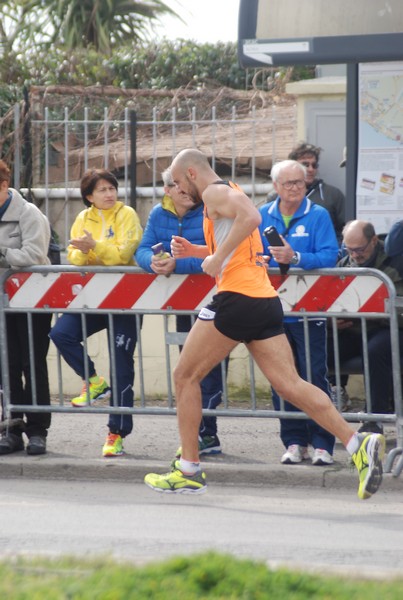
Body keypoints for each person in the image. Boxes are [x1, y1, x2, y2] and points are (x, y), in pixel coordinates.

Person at [144, 148, 385, 500]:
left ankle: (189, 471)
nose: (180, 190)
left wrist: (216, 257)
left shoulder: (213, 192)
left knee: (185, 376)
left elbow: (252, 220)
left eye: (179, 182)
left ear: (193, 174)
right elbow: (243, 241)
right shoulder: (231, 191)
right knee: (290, 384)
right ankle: (356, 443)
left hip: (236, 299)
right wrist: (198, 253)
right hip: (264, 301)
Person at [49, 168, 143, 457]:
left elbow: (124, 254)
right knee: (61, 333)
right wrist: (92, 251)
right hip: (94, 297)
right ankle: (93, 381)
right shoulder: (83, 218)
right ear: (89, 196)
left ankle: (116, 432)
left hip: (126, 298)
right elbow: (74, 254)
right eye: (101, 190)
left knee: (121, 364)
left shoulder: (127, 214)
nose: (109, 194)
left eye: (111, 188)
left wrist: (94, 248)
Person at [135, 167, 227, 455]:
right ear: (168, 190)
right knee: (188, 370)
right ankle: (199, 436)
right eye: (177, 186)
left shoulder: (211, 210)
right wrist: (153, 262)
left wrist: (179, 265)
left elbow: (217, 253)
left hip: (215, 300)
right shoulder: (157, 214)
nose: (185, 190)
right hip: (183, 304)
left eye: (186, 184)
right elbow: (142, 249)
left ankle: (207, 432)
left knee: (210, 369)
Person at [258, 159, 339, 466]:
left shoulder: (318, 215)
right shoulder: (261, 215)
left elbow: (331, 255)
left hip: (309, 310)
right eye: (289, 183)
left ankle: (322, 442)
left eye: (300, 183)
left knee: (314, 375)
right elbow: (251, 255)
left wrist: (297, 256)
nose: (295, 189)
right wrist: (265, 261)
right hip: (272, 309)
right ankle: (293, 441)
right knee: (282, 377)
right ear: (276, 186)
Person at [327, 220, 403, 434]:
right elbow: (328, 302)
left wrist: (375, 313)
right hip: (352, 329)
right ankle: (319, 416)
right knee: (318, 350)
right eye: (349, 250)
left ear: (374, 241)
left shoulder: (396, 262)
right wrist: (332, 322)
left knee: (376, 351)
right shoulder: (343, 264)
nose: (355, 255)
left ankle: (374, 418)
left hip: (388, 329)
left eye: (359, 249)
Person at [0, 159, 52, 455]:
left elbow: (34, 253)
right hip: (3, 303)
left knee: (32, 364)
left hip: (32, 301)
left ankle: (37, 430)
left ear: (5, 186)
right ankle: (11, 428)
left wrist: (3, 253)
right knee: (6, 367)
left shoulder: (29, 215)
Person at [267, 142, 345, 241]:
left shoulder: (332, 194)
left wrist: (336, 250)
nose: (310, 169)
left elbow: (345, 228)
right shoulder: (274, 198)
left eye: (314, 165)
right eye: (305, 165)